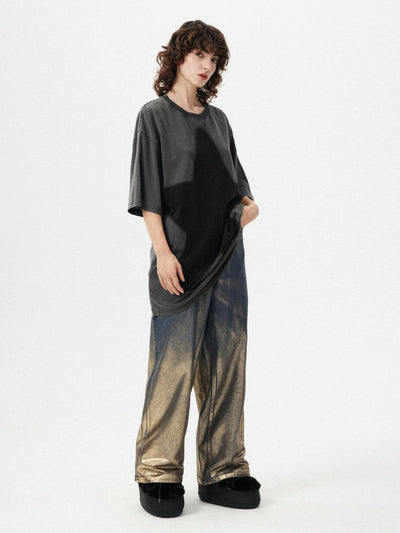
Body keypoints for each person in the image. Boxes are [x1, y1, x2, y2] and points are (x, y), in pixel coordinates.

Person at [127, 20, 261, 518]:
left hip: (228, 257)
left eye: (214, 59)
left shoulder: (219, 120)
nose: (206, 66)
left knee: (228, 360)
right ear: (178, 57)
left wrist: (248, 209)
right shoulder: (154, 117)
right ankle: (158, 470)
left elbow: (239, 187)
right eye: (199, 55)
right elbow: (149, 195)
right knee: (173, 363)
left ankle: (223, 467)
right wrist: (163, 253)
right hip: (180, 258)